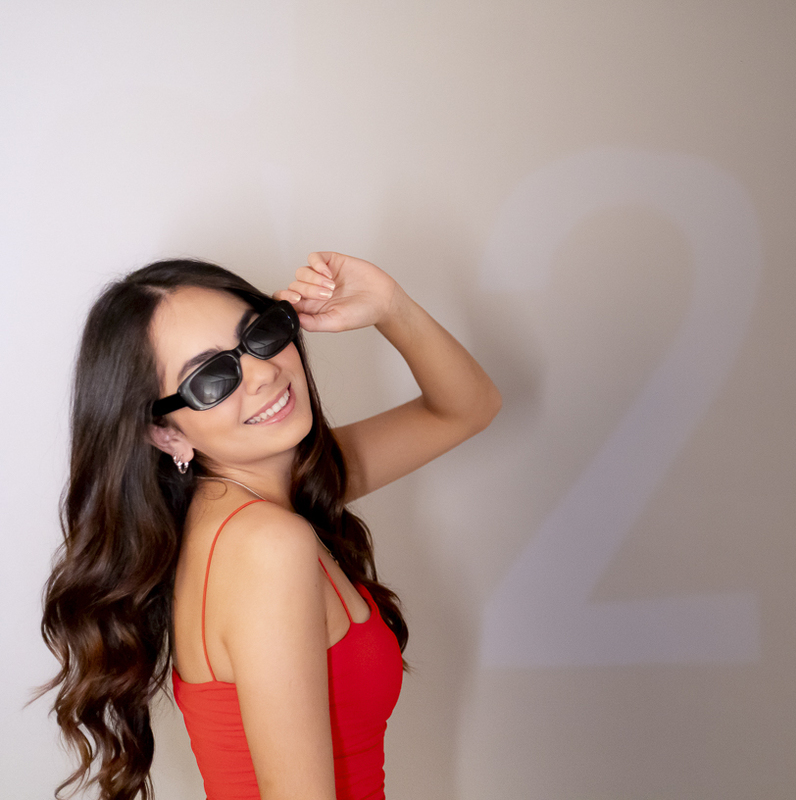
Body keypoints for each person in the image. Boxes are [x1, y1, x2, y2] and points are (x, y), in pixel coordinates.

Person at [40, 252, 501, 800]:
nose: (263, 373)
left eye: (260, 334)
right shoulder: (265, 545)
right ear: (166, 433)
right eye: (210, 378)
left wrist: (389, 306)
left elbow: (467, 408)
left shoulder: (267, 497)